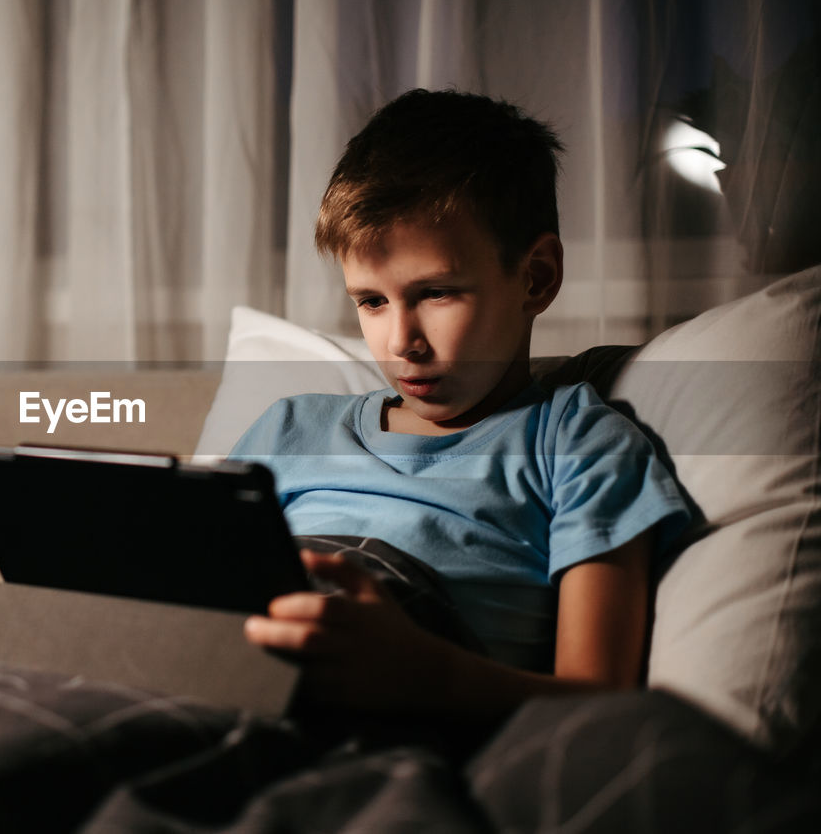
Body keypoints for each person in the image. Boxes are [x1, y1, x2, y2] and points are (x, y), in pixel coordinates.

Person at [231, 89, 691, 721]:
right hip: (235, 682)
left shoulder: (579, 446)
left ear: (536, 278)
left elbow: (601, 704)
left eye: (438, 293)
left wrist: (422, 673)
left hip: (388, 712)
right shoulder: (288, 427)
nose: (402, 343)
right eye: (371, 301)